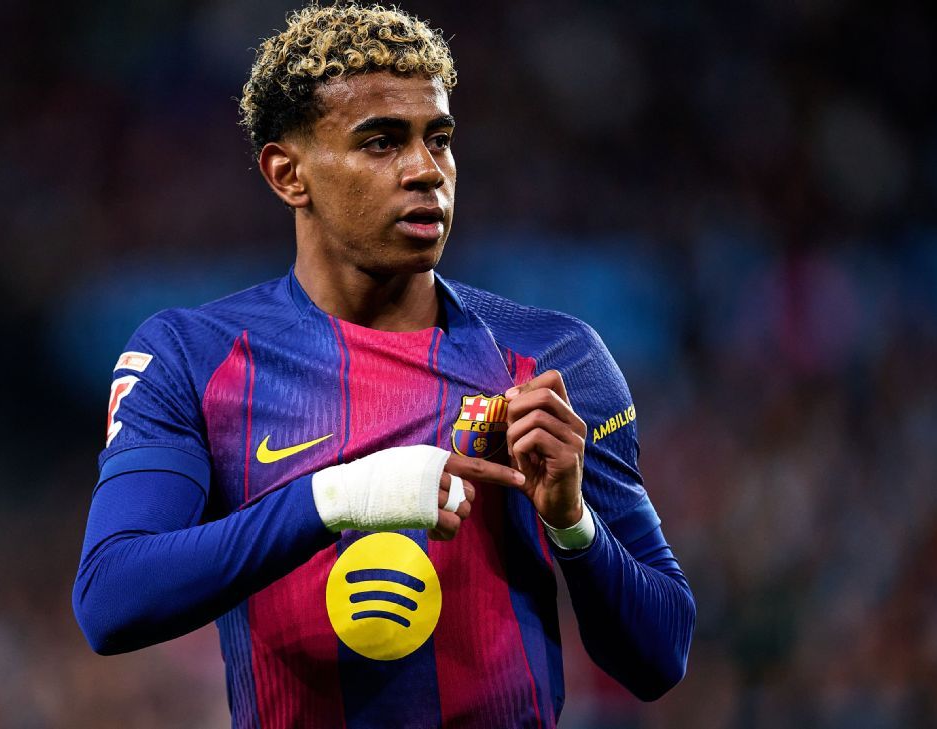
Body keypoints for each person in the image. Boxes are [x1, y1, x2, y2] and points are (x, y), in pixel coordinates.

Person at [73, 3, 695, 726]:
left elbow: (660, 657)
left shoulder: (554, 359)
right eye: (380, 142)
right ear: (287, 174)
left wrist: (572, 523)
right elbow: (111, 599)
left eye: (440, 139)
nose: (426, 170)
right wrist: (338, 498)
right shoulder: (192, 357)